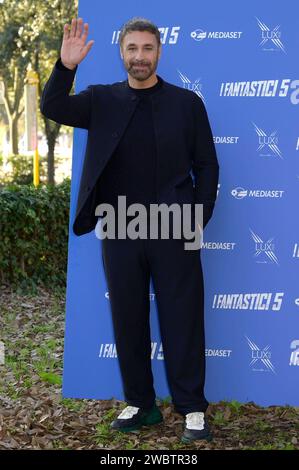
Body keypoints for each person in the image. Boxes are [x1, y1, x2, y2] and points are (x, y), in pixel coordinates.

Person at [41, 16, 219, 443]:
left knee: (183, 319)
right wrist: (65, 67)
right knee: (128, 318)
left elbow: (207, 164)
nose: (140, 57)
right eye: (132, 49)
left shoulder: (187, 103)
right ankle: (141, 404)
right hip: (120, 227)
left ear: (159, 52)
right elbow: (52, 107)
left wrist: (198, 215)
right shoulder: (102, 100)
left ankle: (192, 408)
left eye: (147, 49)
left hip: (176, 227)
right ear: (122, 53)